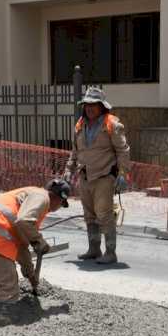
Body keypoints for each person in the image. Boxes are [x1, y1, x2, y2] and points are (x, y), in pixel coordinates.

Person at [0, 178, 70, 327]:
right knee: (8, 279)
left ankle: (6, 312)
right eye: (61, 204)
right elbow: (24, 221)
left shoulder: (33, 198)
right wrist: (39, 241)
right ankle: (4, 316)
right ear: (58, 198)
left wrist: (30, 273)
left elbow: (22, 247)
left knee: (8, 274)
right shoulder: (42, 198)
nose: (59, 207)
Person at [63, 86, 131, 264]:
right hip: (85, 176)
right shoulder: (80, 125)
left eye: (93, 104)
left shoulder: (112, 124)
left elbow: (123, 151)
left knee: (104, 214)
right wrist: (68, 171)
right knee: (89, 215)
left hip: (104, 177)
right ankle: (94, 249)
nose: (89, 108)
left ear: (102, 106)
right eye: (86, 105)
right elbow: (75, 152)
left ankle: (110, 252)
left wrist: (122, 174)